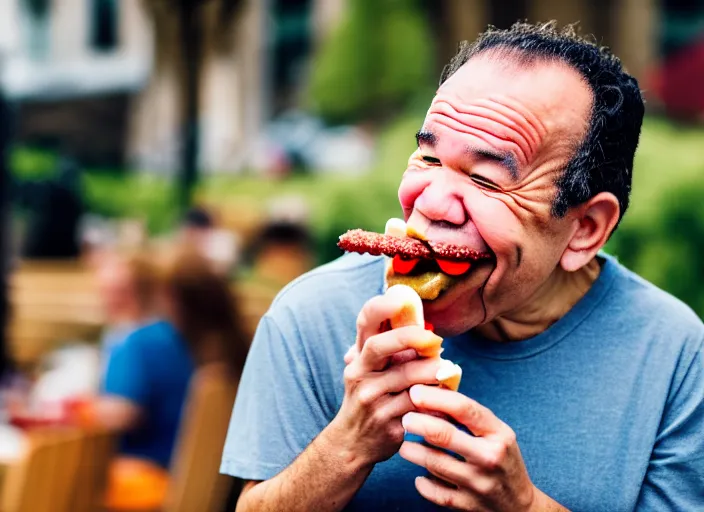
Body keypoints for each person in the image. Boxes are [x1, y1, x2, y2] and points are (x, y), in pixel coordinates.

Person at [220, 22, 704, 511]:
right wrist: (350, 442)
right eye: (428, 158)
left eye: (486, 179)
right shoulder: (310, 315)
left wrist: (525, 506)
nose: (432, 204)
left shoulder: (674, 353)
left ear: (585, 228)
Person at [94, 248, 249, 469]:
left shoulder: (143, 341)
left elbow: (124, 413)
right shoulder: (221, 357)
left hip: (152, 470)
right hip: (192, 474)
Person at [94, 249, 158, 376]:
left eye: (115, 292)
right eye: (104, 292)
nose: (107, 300)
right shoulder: (121, 333)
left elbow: (118, 395)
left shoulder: (135, 343)